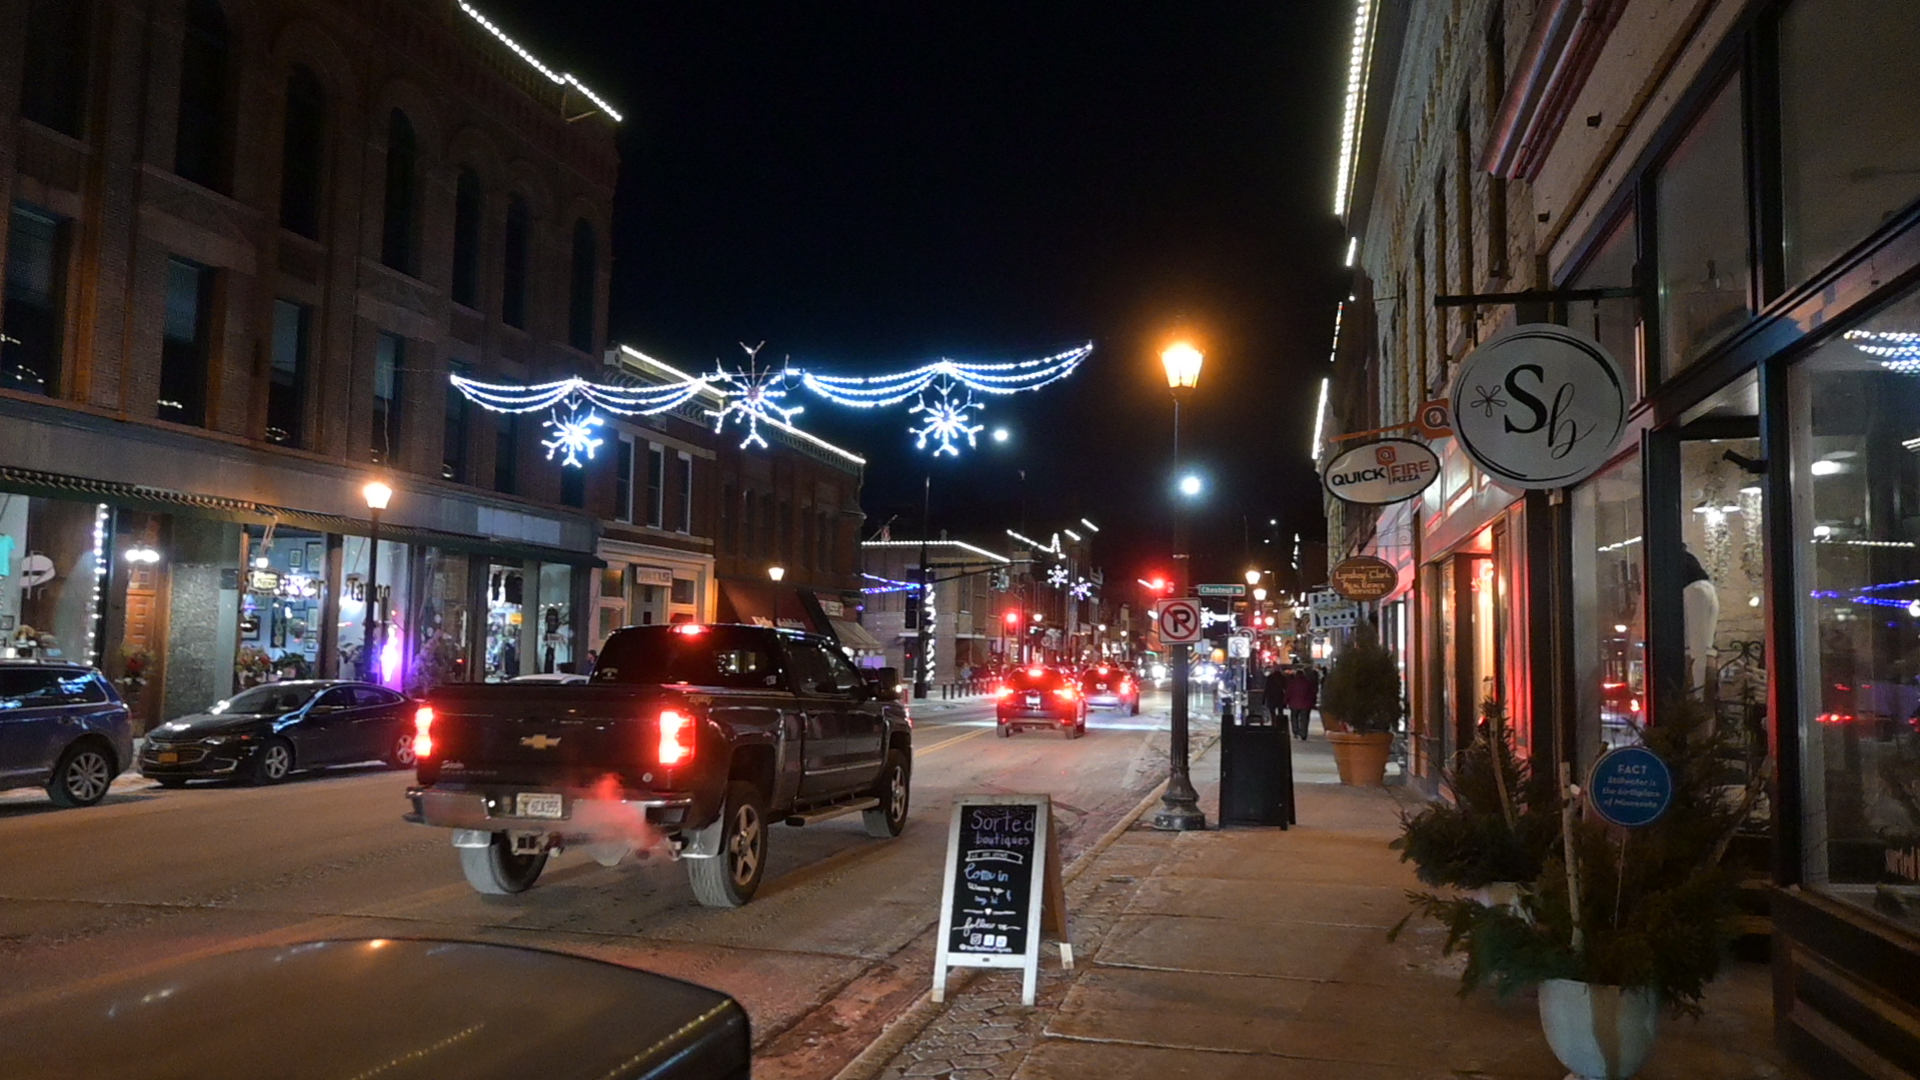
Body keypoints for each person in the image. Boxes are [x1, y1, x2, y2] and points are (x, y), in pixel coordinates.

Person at [1285, 664, 1319, 741]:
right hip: (1306, 705)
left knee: (1294, 718)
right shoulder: (1307, 683)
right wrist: (1313, 702)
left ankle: (1295, 731)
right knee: (1304, 719)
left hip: (1294, 704)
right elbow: (1312, 693)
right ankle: (1303, 734)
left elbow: (1288, 693)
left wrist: (1286, 701)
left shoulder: (1292, 683)